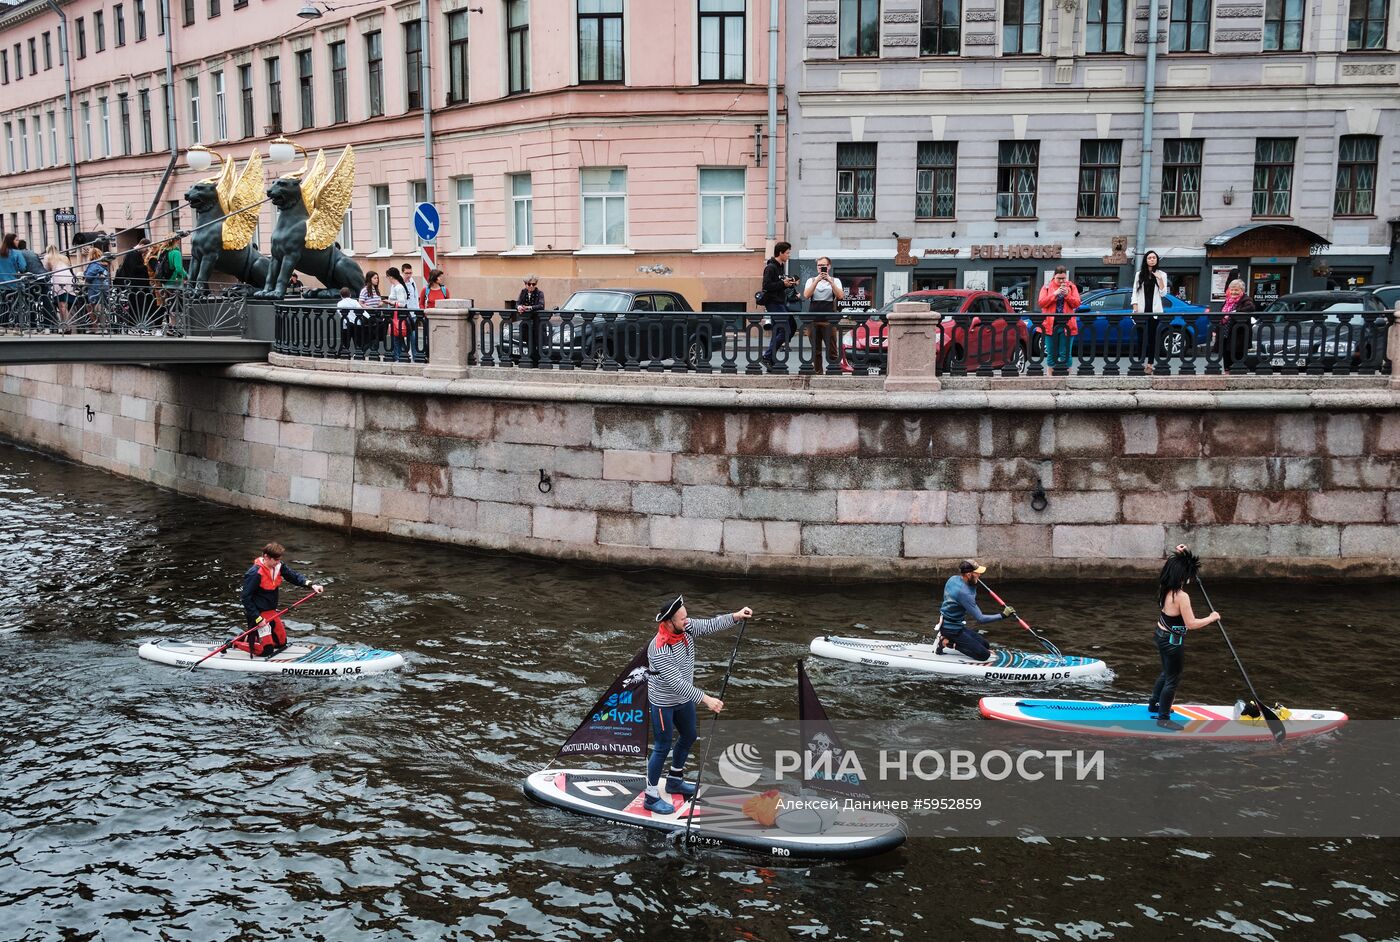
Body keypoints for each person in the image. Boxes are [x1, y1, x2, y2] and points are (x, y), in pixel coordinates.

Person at [644, 595, 754, 814]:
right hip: (664, 703)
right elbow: (676, 683)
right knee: (662, 746)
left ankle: (674, 780)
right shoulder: (659, 650)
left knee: (689, 736)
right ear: (668, 623)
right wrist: (707, 700)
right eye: (682, 619)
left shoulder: (686, 629)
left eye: (687, 617)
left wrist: (736, 616)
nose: (687, 621)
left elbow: (710, 624)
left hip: (684, 700)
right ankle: (651, 795)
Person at [1150, 544, 1221, 731]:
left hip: (1160, 635)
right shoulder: (1181, 596)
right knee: (1173, 679)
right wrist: (1211, 618)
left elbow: (1171, 566)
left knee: (1166, 673)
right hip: (1172, 642)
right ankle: (1163, 718)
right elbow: (1191, 624)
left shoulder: (1164, 586)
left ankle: (1154, 704)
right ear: (1182, 576)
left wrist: (1183, 556)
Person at [238, 542, 325, 658]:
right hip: (258, 614)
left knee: (281, 643)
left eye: (279, 560)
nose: (278, 563)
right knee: (267, 650)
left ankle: (247, 637)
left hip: (271, 612)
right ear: (266, 557)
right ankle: (234, 643)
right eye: (275, 560)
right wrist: (258, 618)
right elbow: (245, 598)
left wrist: (311, 585)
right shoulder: (254, 574)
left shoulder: (278, 566)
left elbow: (293, 576)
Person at [934, 560, 1015, 661]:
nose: (980, 575)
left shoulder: (953, 579)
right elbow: (980, 618)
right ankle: (945, 642)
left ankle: (947, 637)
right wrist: (1003, 615)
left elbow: (965, 592)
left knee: (985, 645)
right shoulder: (964, 594)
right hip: (951, 630)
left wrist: (973, 582)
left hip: (955, 625)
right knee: (984, 655)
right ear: (968, 574)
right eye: (977, 573)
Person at [803, 256, 845, 375]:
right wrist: (817, 281)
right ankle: (818, 373)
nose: (821, 268)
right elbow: (806, 295)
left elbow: (841, 296)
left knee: (832, 348)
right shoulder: (811, 280)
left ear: (829, 267)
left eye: (824, 266)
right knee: (816, 350)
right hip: (813, 318)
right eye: (819, 266)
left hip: (829, 319)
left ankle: (833, 371)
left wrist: (830, 282)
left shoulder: (835, 280)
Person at [759, 242, 798, 366]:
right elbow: (766, 286)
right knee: (785, 330)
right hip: (773, 302)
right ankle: (767, 356)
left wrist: (789, 283)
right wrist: (783, 284)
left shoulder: (780, 267)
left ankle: (770, 358)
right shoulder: (771, 267)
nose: (788, 255)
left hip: (780, 302)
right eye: (787, 253)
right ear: (780, 253)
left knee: (790, 326)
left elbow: (779, 284)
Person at [1038, 266, 1081, 371]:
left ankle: (1068, 379)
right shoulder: (1047, 287)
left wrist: (1067, 295)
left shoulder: (1071, 287)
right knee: (1051, 353)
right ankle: (1050, 379)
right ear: (1054, 277)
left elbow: (1077, 303)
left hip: (1068, 325)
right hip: (1050, 324)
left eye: (1063, 278)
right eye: (1059, 278)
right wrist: (1054, 294)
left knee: (1065, 353)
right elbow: (1041, 303)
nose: (1062, 281)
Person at [1131, 250, 1169, 368]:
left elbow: (1163, 294)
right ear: (1146, 260)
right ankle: (1139, 362)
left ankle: (1150, 364)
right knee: (1140, 338)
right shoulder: (1139, 274)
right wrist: (1135, 308)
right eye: (1149, 258)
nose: (1152, 259)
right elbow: (1134, 292)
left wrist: (1160, 279)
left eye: (1154, 258)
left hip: (1154, 311)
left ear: (1157, 260)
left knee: (1152, 338)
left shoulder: (1162, 274)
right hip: (1142, 311)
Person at [1218, 278, 1255, 371]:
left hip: (1238, 336)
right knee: (1226, 359)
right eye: (1232, 289)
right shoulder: (1228, 301)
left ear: (1242, 291)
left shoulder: (1246, 300)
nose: (1233, 292)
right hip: (1226, 334)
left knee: (1237, 360)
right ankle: (1227, 374)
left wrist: (1235, 312)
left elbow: (1250, 307)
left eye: (1236, 290)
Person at [516, 274, 546, 366]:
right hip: (526, 323)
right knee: (528, 341)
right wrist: (519, 307)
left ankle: (537, 362)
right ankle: (529, 361)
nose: (531, 286)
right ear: (525, 284)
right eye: (529, 284)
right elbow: (517, 303)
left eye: (533, 284)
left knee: (537, 342)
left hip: (537, 322)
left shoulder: (539, 293)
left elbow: (541, 305)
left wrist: (529, 308)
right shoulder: (523, 292)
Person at [0, 234, 23, 329]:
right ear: (11, 241)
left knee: (4, 306)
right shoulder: (16, 253)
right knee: (16, 306)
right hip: (14, 284)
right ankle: (16, 326)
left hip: (2, 284)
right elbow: (22, 267)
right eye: (16, 240)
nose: (18, 242)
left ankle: (3, 326)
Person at [336, 286, 364, 357]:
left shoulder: (339, 303)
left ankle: (342, 354)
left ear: (341, 295)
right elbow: (361, 310)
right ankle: (358, 354)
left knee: (345, 342)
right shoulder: (354, 302)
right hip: (356, 324)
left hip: (346, 325)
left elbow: (340, 314)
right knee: (357, 342)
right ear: (350, 294)